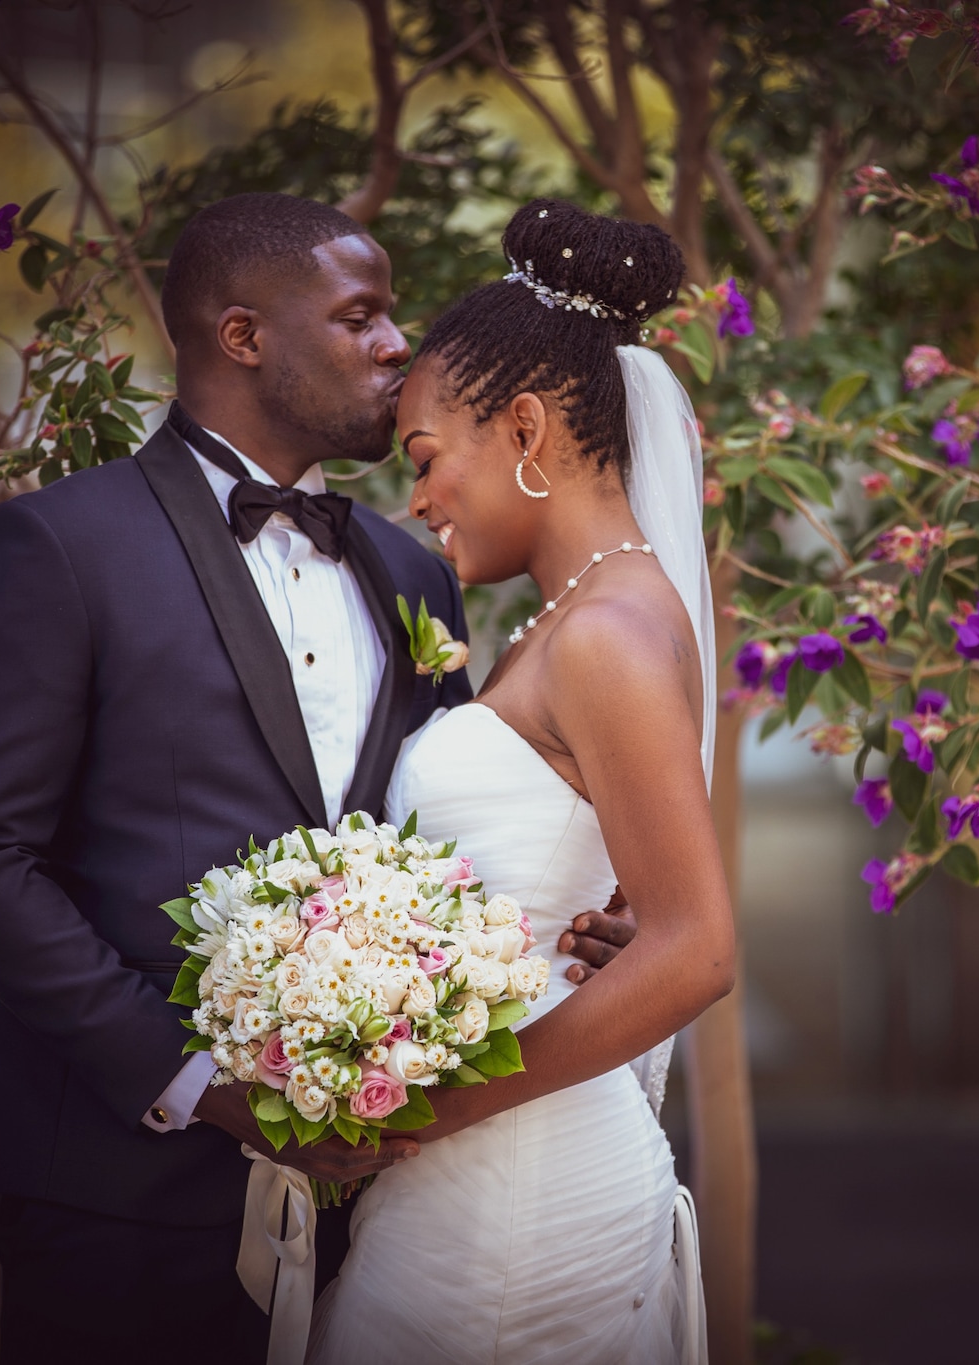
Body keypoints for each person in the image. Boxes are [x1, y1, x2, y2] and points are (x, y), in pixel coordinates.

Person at [0, 193, 636, 1365]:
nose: (398, 344)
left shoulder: (412, 570)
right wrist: (199, 1081)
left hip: (382, 1198)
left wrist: (584, 924)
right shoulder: (56, 547)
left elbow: (445, 831)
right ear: (242, 336)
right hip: (116, 1192)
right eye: (362, 315)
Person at [305, 200, 732, 1364]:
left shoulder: (605, 634)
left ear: (529, 430)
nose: (421, 499)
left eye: (430, 460)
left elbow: (695, 948)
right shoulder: (579, 620)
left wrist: (432, 1106)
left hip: (520, 1194)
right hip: (491, 1169)